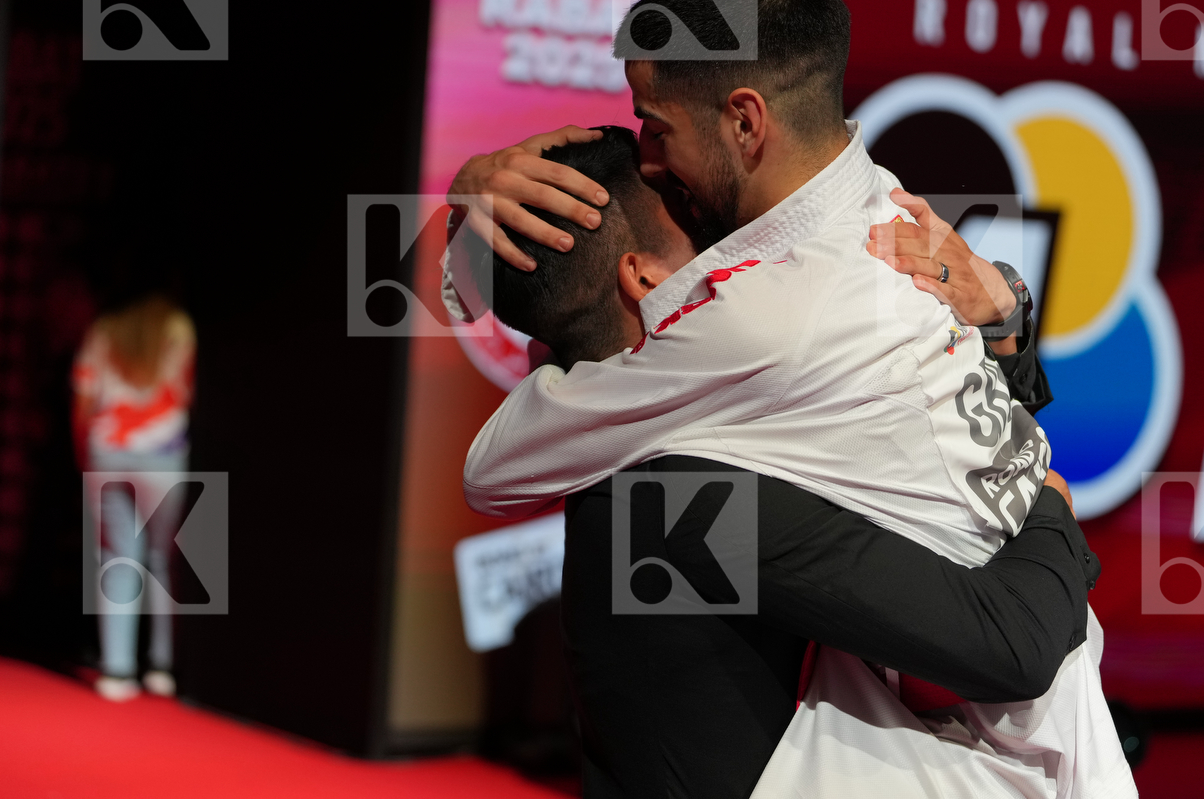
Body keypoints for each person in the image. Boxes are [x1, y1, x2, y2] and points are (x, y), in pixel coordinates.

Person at [458, 126, 1129, 799]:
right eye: (686, 207)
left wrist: (1001, 317)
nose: (728, 227)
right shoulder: (684, 487)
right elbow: (1012, 645)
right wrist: (1046, 506)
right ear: (644, 278)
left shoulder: (597, 405)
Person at [72, 295, 195, 702]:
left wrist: (83, 454)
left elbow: (84, 397)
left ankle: (117, 670)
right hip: (164, 450)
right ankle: (163, 665)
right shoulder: (179, 326)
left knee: (117, 557)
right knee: (168, 558)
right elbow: (187, 390)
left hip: (107, 447)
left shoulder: (105, 328)